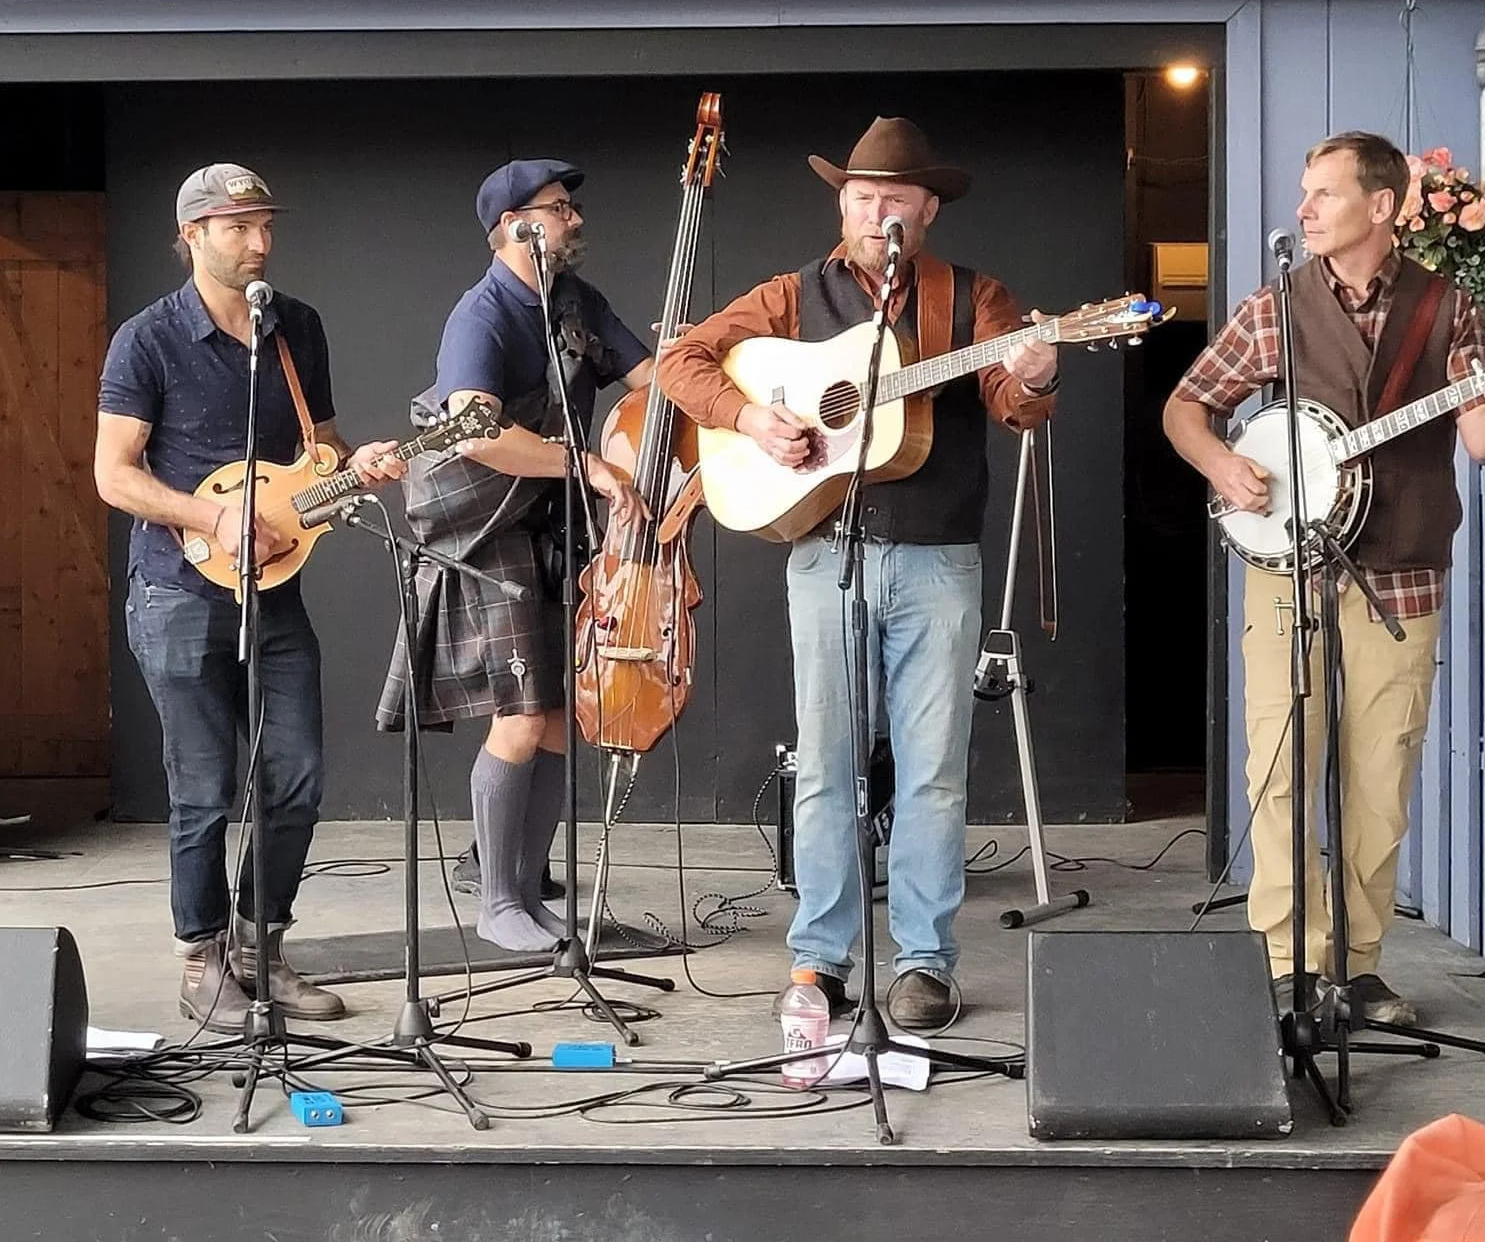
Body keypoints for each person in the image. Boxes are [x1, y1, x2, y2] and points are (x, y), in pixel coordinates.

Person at [656, 117, 1058, 1032]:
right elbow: (682, 360)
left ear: (927, 213)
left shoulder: (973, 298)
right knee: (827, 766)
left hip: (937, 560)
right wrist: (752, 418)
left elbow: (1013, 408)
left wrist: (1033, 372)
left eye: (897, 201)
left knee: (931, 773)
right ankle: (820, 960)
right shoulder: (792, 296)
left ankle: (924, 963)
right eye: (862, 197)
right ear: (844, 203)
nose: (878, 213)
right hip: (824, 552)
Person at [1163, 130, 1485, 1029]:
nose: (1303, 211)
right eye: (1305, 194)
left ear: (1383, 205)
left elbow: (1483, 443)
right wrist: (1222, 466)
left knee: (1381, 776)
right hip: (1288, 565)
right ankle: (1290, 964)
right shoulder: (1274, 307)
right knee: (1282, 767)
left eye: (1323, 194)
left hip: (1403, 569)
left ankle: (1359, 966)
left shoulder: (1449, 308)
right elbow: (1187, 407)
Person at [96, 164, 405, 1031]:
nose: (260, 241)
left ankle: (260, 951)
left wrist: (357, 468)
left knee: (295, 774)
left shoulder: (296, 328)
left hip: (276, 591)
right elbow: (111, 474)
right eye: (238, 228)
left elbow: (321, 450)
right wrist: (211, 515)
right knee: (202, 788)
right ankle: (202, 961)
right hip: (176, 590)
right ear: (191, 234)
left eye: (266, 224)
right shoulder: (147, 340)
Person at [377, 159, 651, 952]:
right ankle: (497, 903)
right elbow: (476, 429)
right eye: (558, 208)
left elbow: (649, 379)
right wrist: (587, 463)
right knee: (523, 715)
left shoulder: (576, 302)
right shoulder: (483, 313)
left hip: (549, 527)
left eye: (568, 205)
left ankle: (531, 894)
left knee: (564, 716)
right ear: (514, 226)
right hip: (480, 527)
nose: (573, 218)